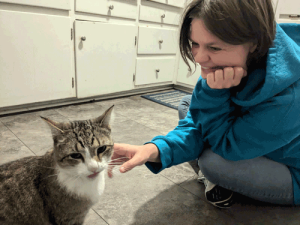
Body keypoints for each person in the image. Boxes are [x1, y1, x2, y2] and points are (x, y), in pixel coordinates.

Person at [108, 0, 300, 208]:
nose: (199, 57)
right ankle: (224, 181)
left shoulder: (289, 98)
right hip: (251, 141)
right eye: (194, 43)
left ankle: (219, 180)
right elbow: (199, 123)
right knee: (187, 104)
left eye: (214, 47)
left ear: (254, 42)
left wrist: (213, 92)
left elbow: (225, 145)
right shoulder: (234, 60)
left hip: (290, 170)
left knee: (211, 161)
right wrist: (156, 149)